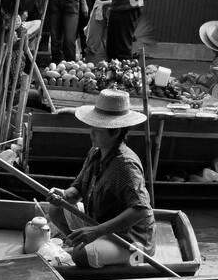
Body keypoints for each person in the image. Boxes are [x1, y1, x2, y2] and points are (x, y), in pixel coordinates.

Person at [44, 89, 154, 269]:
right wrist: (63, 195)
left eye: (97, 130)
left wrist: (96, 231)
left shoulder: (125, 165)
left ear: (115, 132)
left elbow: (140, 210)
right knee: (55, 209)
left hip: (129, 240)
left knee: (80, 256)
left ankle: (85, 248)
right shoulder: (96, 152)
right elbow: (77, 190)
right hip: (99, 222)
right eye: (91, 128)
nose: (91, 134)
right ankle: (79, 242)